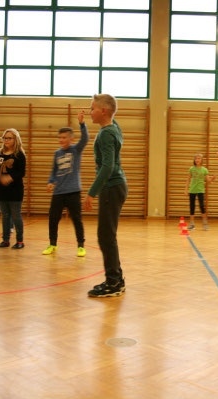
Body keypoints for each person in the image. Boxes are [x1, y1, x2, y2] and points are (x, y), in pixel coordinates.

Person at [84, 94, 128, 297]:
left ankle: (113, 283)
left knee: (106, 236)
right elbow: (112, 115)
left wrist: (91, 193)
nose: (89, 112)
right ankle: (116, 279)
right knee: (107, 235)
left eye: (92, 108)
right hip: (116, 187)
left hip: (111, 188)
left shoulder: (106, 134)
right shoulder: (114, 128)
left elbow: (108, 166)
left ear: (103, 111)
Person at [42, 111, 89, 256]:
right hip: (59, 192)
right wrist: (51, 182)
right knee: (53, 219)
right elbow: (54, 171)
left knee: (77, 219)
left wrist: (82, 123)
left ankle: (81, 246)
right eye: (59, 137)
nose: (61, 140)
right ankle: (52, 244)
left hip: (73, 191)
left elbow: (85, 139)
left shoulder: (76, 150)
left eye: (64, 137)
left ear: (71, 138)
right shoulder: (57, 153)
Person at [0, 128, 26, 249]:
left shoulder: (19, 154)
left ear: (15, 139)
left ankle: (20, 241)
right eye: (4, 138)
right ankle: (5, 240)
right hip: (2, 191)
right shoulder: (0, 153)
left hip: (15, 191)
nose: (6, 140)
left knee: (16, 215)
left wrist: (10, 177)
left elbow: (22, 172)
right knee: (5, 216)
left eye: (9, 138)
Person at [184, 153, 215, 230]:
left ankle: (205, 224)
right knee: (192, 206)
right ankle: (192, 224)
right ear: (194, 160)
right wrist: (186, 189)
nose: (197, 160)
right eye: (196, 158)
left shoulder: (204, 170)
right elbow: (188, 180)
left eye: (199, 158)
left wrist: (211, 179)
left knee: (202, 206)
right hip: (192, 190)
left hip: (200, 190)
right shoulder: (191, 169)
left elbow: (208, 181)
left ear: (201, 160)